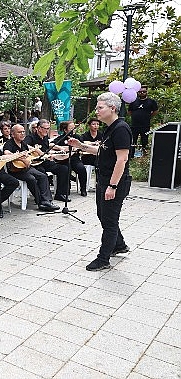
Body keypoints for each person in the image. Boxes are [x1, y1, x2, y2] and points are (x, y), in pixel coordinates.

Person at [67, 92, 132, 271]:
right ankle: (119, 245)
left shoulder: (121, 129)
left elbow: (122, 159)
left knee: (109, 222)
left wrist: (112, 186)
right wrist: (81, 146)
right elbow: (103, 151)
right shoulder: (110, 128)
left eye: (100, 107)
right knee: (103, 216)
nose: (96, 111)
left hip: (114, 182)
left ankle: (103, 259)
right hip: (103, 179)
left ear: (112, 108)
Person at [3, 125, 60, 212]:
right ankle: (40, 202)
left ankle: (47, 200)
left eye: (23, 132)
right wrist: (21, 158)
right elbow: (6, 154)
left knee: (42, 176)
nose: (22, 134)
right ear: (13, 134)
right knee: (31, 179)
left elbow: (31, 150)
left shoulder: (23, 143)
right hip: (15, 170)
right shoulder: (9, 144)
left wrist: (44, 156)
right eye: (19, 132)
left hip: (25, 168)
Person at [24, 119, 70, 202]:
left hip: (46, 162)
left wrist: (52, 154)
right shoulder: (30, 137)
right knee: (42, 173)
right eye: (45, 128)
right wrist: (38, 151)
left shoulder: (45, 138)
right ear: (38, 128)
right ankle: (42, 198)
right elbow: (25, 146)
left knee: (64, 169)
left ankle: (60, 194)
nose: (47, 130)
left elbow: (47, 148)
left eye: (48, 128)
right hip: (36, 163)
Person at [57, 121, 88, 196]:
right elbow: (52, 144)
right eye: (71, 128)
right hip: (64, 160)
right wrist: (60, 148)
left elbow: (82, 146)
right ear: (65, 130)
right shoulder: (61, 138)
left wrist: (77, 149)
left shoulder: (77, 137)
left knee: (82, 169)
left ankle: (83, 189)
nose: (74, 129)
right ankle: (66, 189)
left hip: (75, 159)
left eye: (74, 128)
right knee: (65, 169)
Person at [128, 85, 158, 156]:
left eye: (144, 91)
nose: (142, 93)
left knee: (144, 141)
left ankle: (144, 156)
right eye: (140, 92)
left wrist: (148, 116)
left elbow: (155, 111)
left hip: (145, 125)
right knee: (133, 141)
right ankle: (131, 155)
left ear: (147, 92)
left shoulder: (151, 102)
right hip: (134, 125)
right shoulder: (133, 101)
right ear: (137, 92)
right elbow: (129, 111)